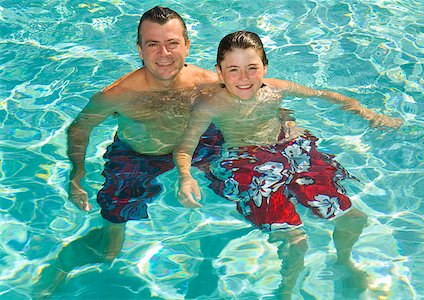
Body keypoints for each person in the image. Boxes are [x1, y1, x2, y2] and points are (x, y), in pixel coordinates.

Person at [33, 7, 297, 299]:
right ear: (139, 49)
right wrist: (76, 175)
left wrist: (286, 119)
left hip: (200, 145)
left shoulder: (209, 81)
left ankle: (286, 278)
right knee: (110, 248)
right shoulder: (118, 95)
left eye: (172, 43)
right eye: (152, 44)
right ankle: (61, 265)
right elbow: (79, 129)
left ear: (187, 45)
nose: (164, 53)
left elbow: (256, 92)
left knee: (257, 197)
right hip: (138, 156)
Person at [174, 31, 402, 299]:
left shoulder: (275, 90)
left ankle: (344, 262)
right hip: (247, 160)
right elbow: (185, 146)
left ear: (265, 67)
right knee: (295, 240)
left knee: (353, 218)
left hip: (289, 148)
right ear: (220, 73)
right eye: (233, 70)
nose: (244, 78)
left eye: (252, 68)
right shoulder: (211, 106)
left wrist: (368, 114)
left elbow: (325, 94)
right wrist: (185, 176)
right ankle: (287, 290)